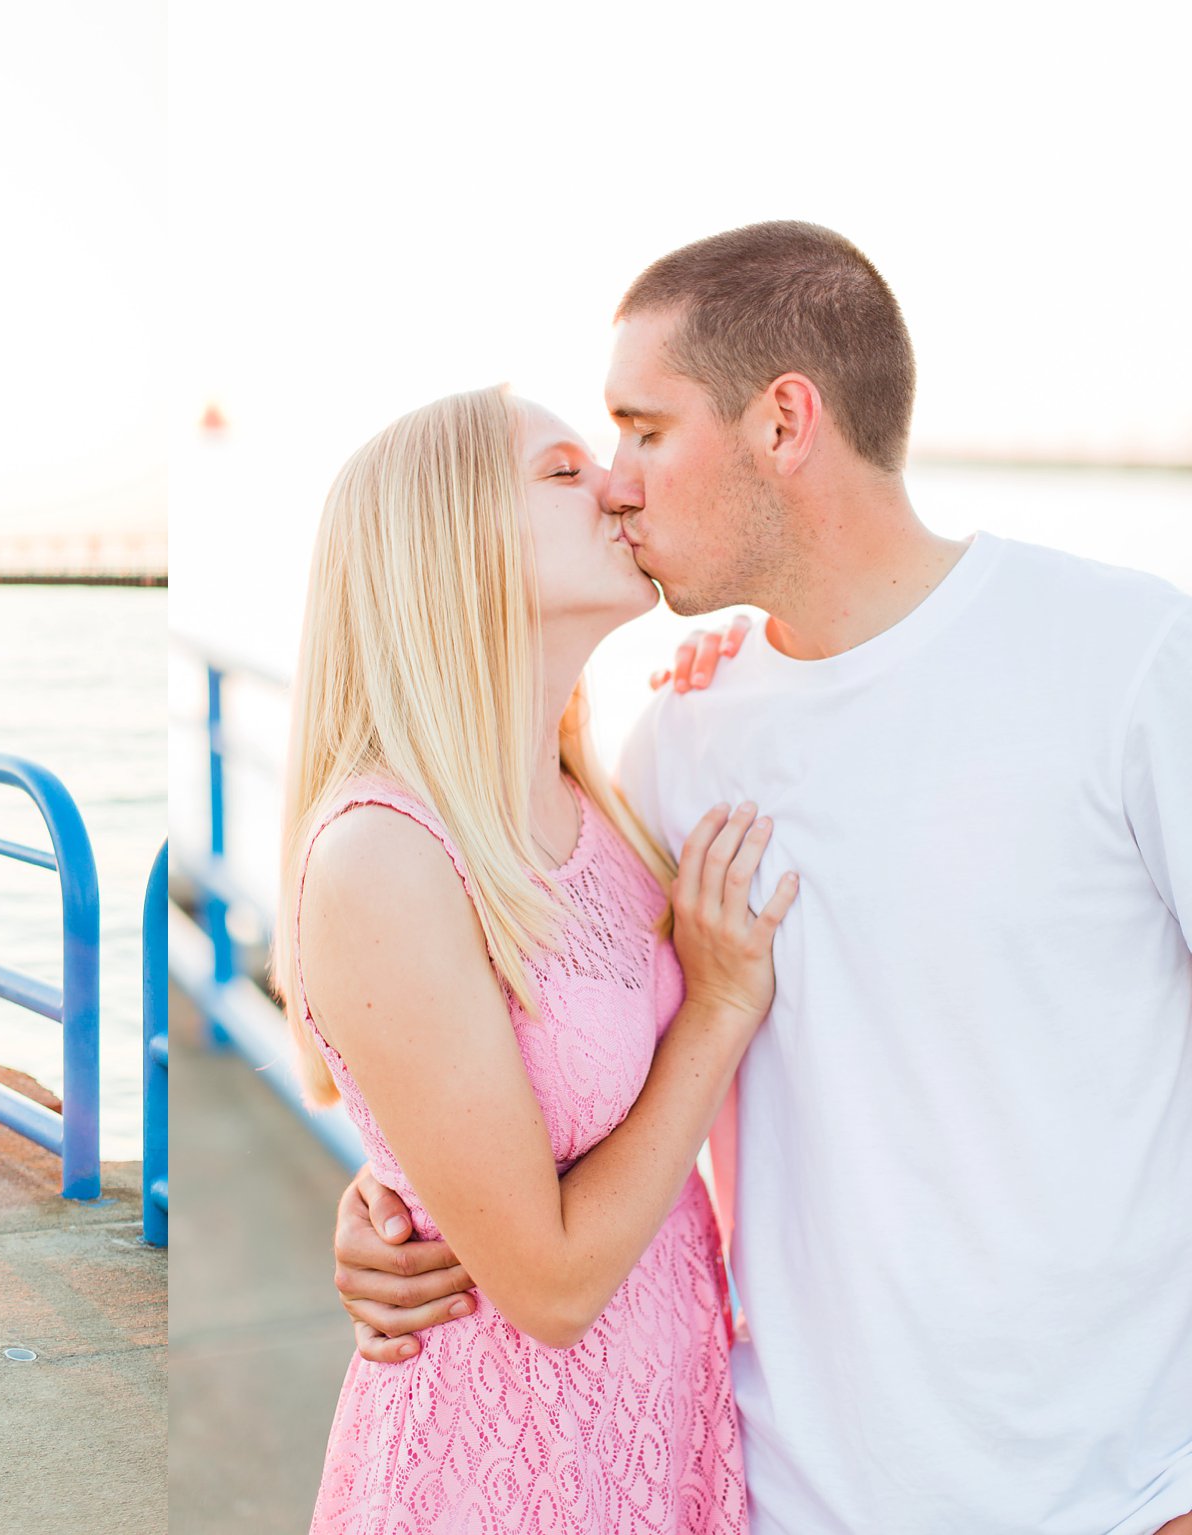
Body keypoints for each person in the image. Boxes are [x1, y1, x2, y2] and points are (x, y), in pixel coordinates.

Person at [330, 222, 1192, 1535]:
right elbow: (547, 1032)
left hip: (1113, 1491)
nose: (616, 484)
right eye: (588, 454)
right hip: (772, 1483)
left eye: (642, 431)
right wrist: (398, 1193)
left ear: (785, 420)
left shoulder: (1132, 659)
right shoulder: (669, 736)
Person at [283, 383, 802, 1530]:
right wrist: (716, 1007)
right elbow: (553, 1285)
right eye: (563, 472)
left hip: (660, 1426)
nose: (619, 484)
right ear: (450, 546)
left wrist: (759, 664)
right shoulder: (383, 852)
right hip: (506, 1468)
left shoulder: (591, 797)